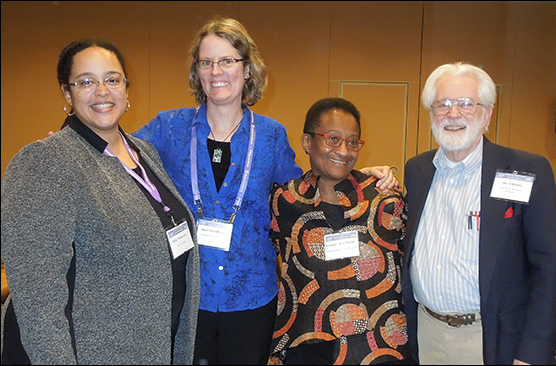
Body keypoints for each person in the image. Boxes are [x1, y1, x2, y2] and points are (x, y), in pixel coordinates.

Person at [133, 16, 397, 365]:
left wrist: (364, 176)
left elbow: (304, 191)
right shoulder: (169, 127)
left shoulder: (271, 135)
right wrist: (77, 146)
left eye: (227, 61)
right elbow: (120, 159)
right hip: (186, 294)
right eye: (207, 62)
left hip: (252, 297)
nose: (216, 71)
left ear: (247, 69)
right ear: (197, 71)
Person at [0, 38, 200, 365]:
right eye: (86, 82)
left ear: (126, 87)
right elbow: (38, 305)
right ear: (67, 93)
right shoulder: (45, 162)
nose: (102, 91)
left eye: (111, 79)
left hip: (148, 346)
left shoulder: (144, 152)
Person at [401, 62, 556, 365]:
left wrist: (532, 353)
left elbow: (549, 268)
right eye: (442, 104)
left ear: (487, 114)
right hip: (426, 334)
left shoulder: (526, 170)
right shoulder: (416, 170)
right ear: (431, 113)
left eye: (466, 104)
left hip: (494, 340)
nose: (453, 114)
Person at [268, 97, 414, 365]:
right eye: (333, 139)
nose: (345, 151)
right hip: (309, 344)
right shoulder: (284, 201)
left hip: (379, 345)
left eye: (353, 142)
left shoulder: (384, 200)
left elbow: (411, 259)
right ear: (307, 142)